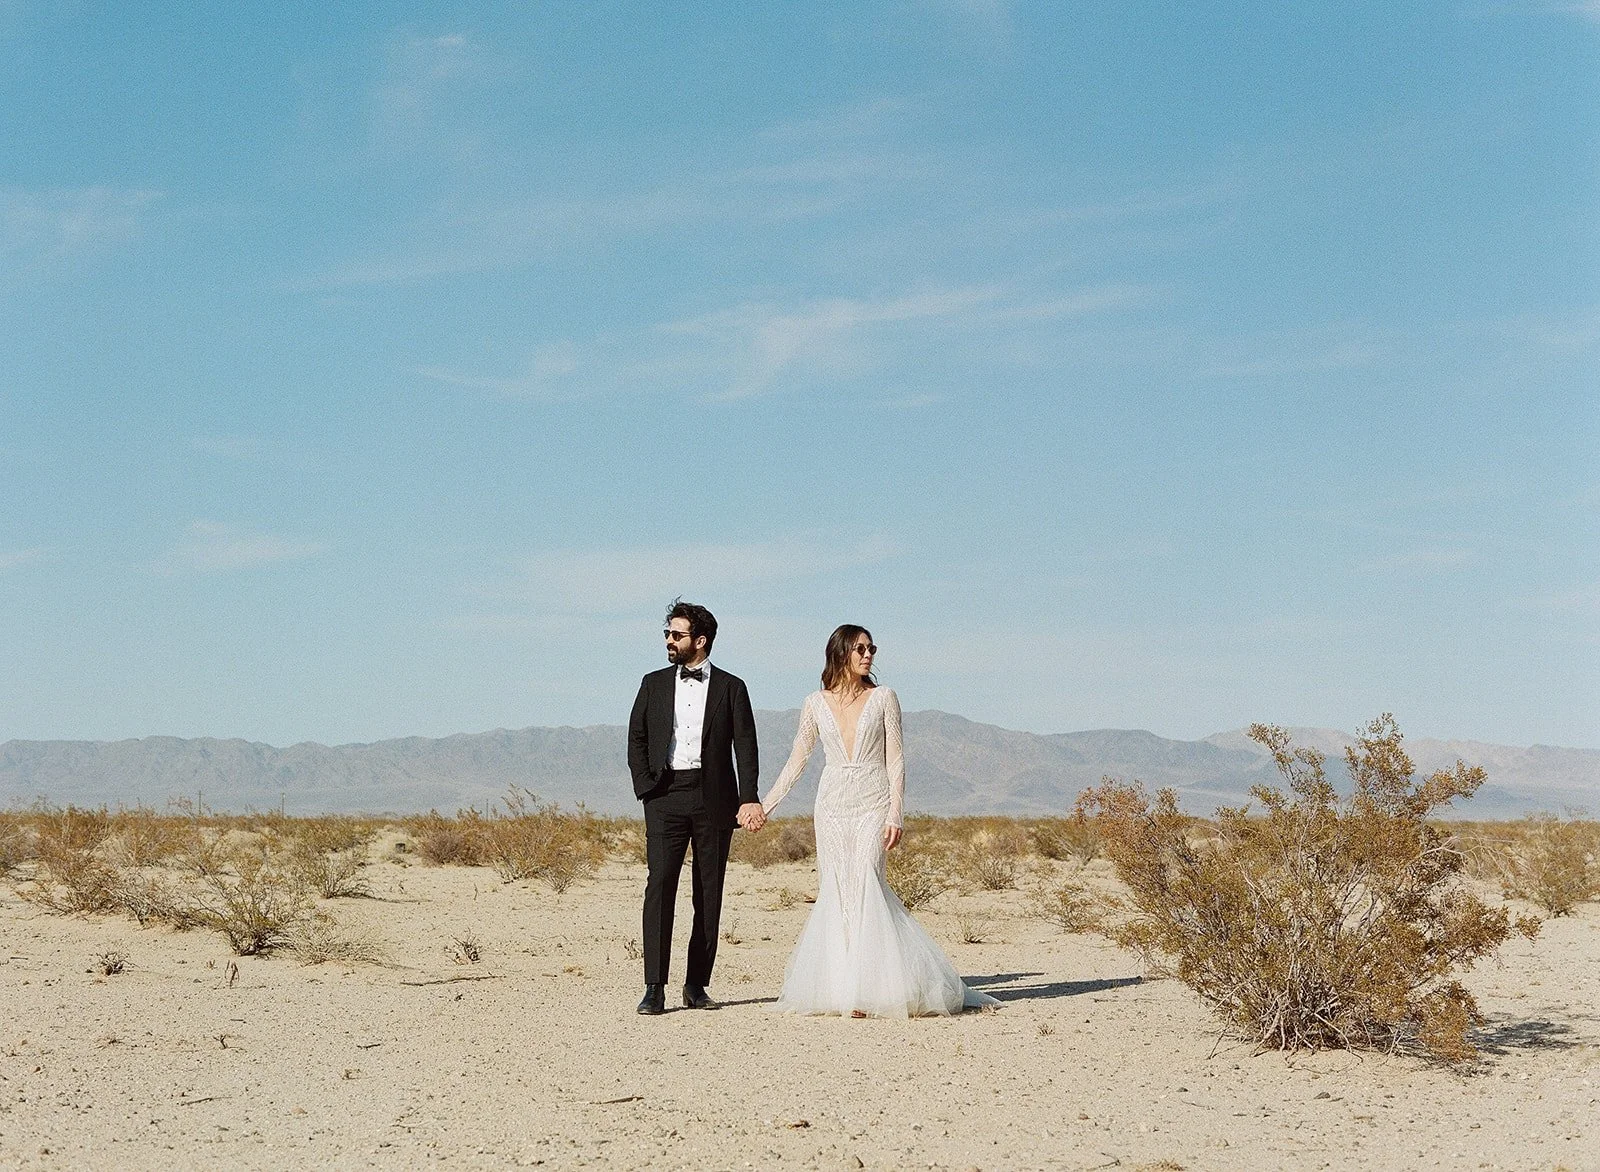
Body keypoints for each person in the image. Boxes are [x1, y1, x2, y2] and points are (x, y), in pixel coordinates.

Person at [761, 625, 998, 1018]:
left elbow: (896, 759)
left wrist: (895, 812)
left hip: (873, 800)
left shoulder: (884, 697)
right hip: (832, 804)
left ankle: (874, 987)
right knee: (837, 887)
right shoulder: (814, 704)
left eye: (872, 648)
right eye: (860, 648)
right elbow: (798, 758)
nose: (869, 654)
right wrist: (765, 806)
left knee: (868, 880)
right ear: (840, 653)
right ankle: (845, 989)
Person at [627, 600, 764, 1015]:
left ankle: (696, 985)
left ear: (699, 641)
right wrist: (646, 788)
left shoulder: (732, 687)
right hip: (665, 795)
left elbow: (746, 746)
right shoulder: (652, 683)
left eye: (676, 634)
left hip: (714, 799)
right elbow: (636, 738)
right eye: (667, 633)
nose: (669, 640)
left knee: (708, 894)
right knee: (660, 887)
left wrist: (749, 796)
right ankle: (655, 987)